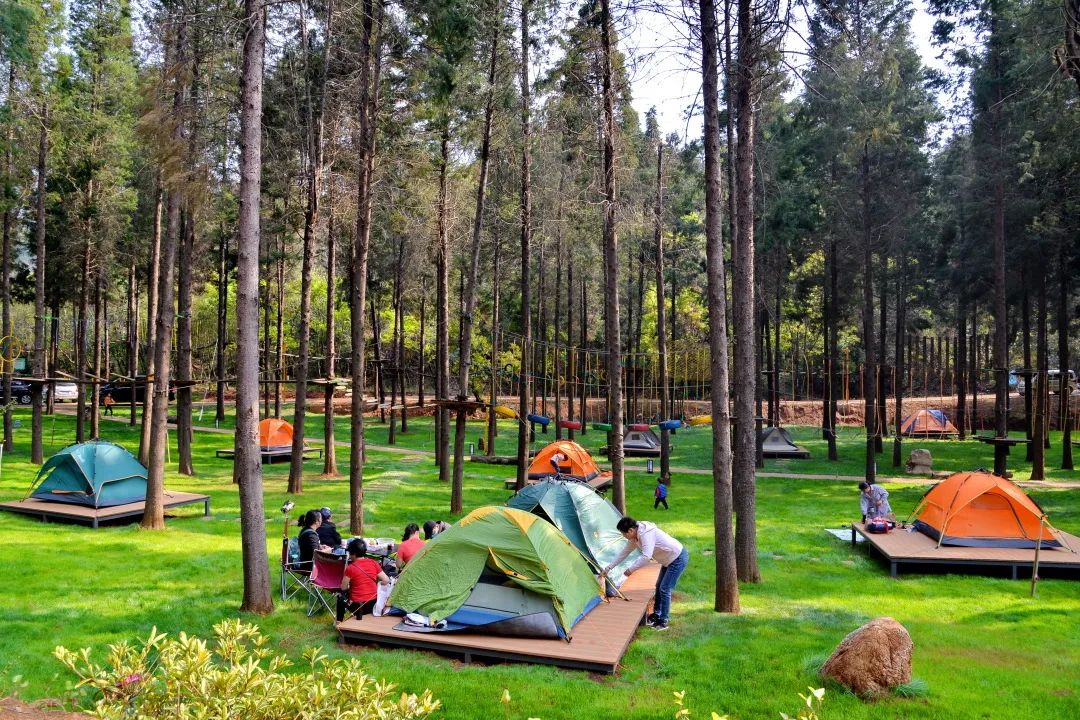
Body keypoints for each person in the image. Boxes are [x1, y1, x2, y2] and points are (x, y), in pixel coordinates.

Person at [603, 517, 688, 631]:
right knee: (659, 586)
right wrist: (608, 568)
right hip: (667, 560)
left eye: (624, 534)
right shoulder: (634, 537)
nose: (624, 536)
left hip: (677, 558)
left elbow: (646, 556)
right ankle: (656, 615)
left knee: (665, 588)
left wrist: (630, 570)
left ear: (630, 530)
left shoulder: (646, 534)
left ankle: (664, 620)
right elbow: (624, 553)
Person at [337, 538, 390, 621]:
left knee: (340, 597)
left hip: (357, 607)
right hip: (373, 604)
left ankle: (338, 621)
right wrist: (377, 584)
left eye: (349, 552)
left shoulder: (350, 568)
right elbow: (386, 580)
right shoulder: (373, 563)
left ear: (353, 554)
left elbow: (343, 587)